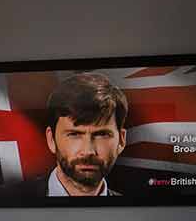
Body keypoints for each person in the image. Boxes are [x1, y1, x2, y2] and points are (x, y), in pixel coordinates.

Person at [15, 70, 143, 199]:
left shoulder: (139, 210)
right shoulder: (2, 200)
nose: (88, 151)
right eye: (74, 134)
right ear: (51, 139)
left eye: (102, 134)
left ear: (121, 140)